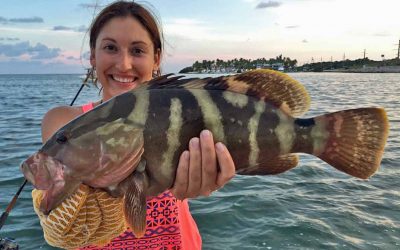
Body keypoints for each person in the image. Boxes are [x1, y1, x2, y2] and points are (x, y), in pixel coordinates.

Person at [31, 1, 236, 249]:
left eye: (138, 51)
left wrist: (207, 180)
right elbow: (68, 222)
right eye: (110, 48)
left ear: (156, 58)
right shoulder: (63, 122)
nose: (124, 64)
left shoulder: (183, 111)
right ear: (93, 56)